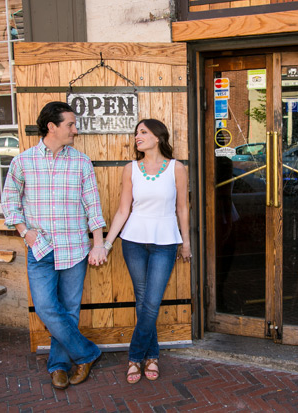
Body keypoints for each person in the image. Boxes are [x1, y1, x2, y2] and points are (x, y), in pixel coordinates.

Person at [1, 101, 108, 390]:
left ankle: (59, 365)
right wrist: (25, 232)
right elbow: (10, 201)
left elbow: (92, 206)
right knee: (47, 308)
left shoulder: (81, 162)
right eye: (70, 124)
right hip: (41, 249)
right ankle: (87, 353)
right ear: (52, 126)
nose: (76, 129)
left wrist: (98, 244)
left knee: (69, 310)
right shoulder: (22, 162)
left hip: (74, 248)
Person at [103, 118, 191, 384]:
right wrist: (107, 243)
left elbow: (182, 209)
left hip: (165, 240)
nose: (137, 137)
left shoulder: (177, 168)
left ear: (158, 137)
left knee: (150, 303)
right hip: (133, 241)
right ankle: (152, 356)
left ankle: (134, 356)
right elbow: (122, 210)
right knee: (143, 301)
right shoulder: (130, 169)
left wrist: (185, 242)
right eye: (136, 133)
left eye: (143, 132)